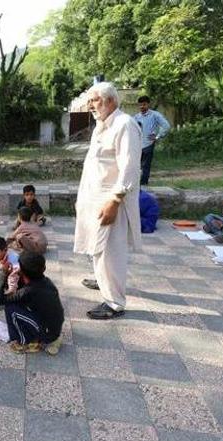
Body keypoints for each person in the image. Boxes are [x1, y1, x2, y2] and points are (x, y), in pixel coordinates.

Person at [74, 82, 142, 320]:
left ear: (111, 100)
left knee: (110, 251)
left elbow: (130, 167)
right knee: (97, 245)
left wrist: (115, 200)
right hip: (94, 198)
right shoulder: (101, 126)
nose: (91, 105)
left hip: (110, 199)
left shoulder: (125, 125)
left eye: (95, 100)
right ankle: (103, 281)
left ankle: (114, 302)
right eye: (90, 100)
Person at [0, 252, 64, 355]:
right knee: (15, 302)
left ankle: (25, 343)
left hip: (47, 334)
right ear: (44, 268)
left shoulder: (29, 291)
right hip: (53, 327)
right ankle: (43, 337)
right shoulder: (45, 281)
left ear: (22, 271)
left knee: (11, 309)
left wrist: (3, 275)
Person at [134, 95, 170, 185]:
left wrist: (158, 136)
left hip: (148, 144)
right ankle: (135, 184)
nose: (142, 107)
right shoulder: (135, 117)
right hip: (136, 145)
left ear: (148, 104)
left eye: (144, 104)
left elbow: (166, 126)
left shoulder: (155, 115)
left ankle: (143, 185)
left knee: (145, 166)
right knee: (135, 165)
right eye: (140, 105)